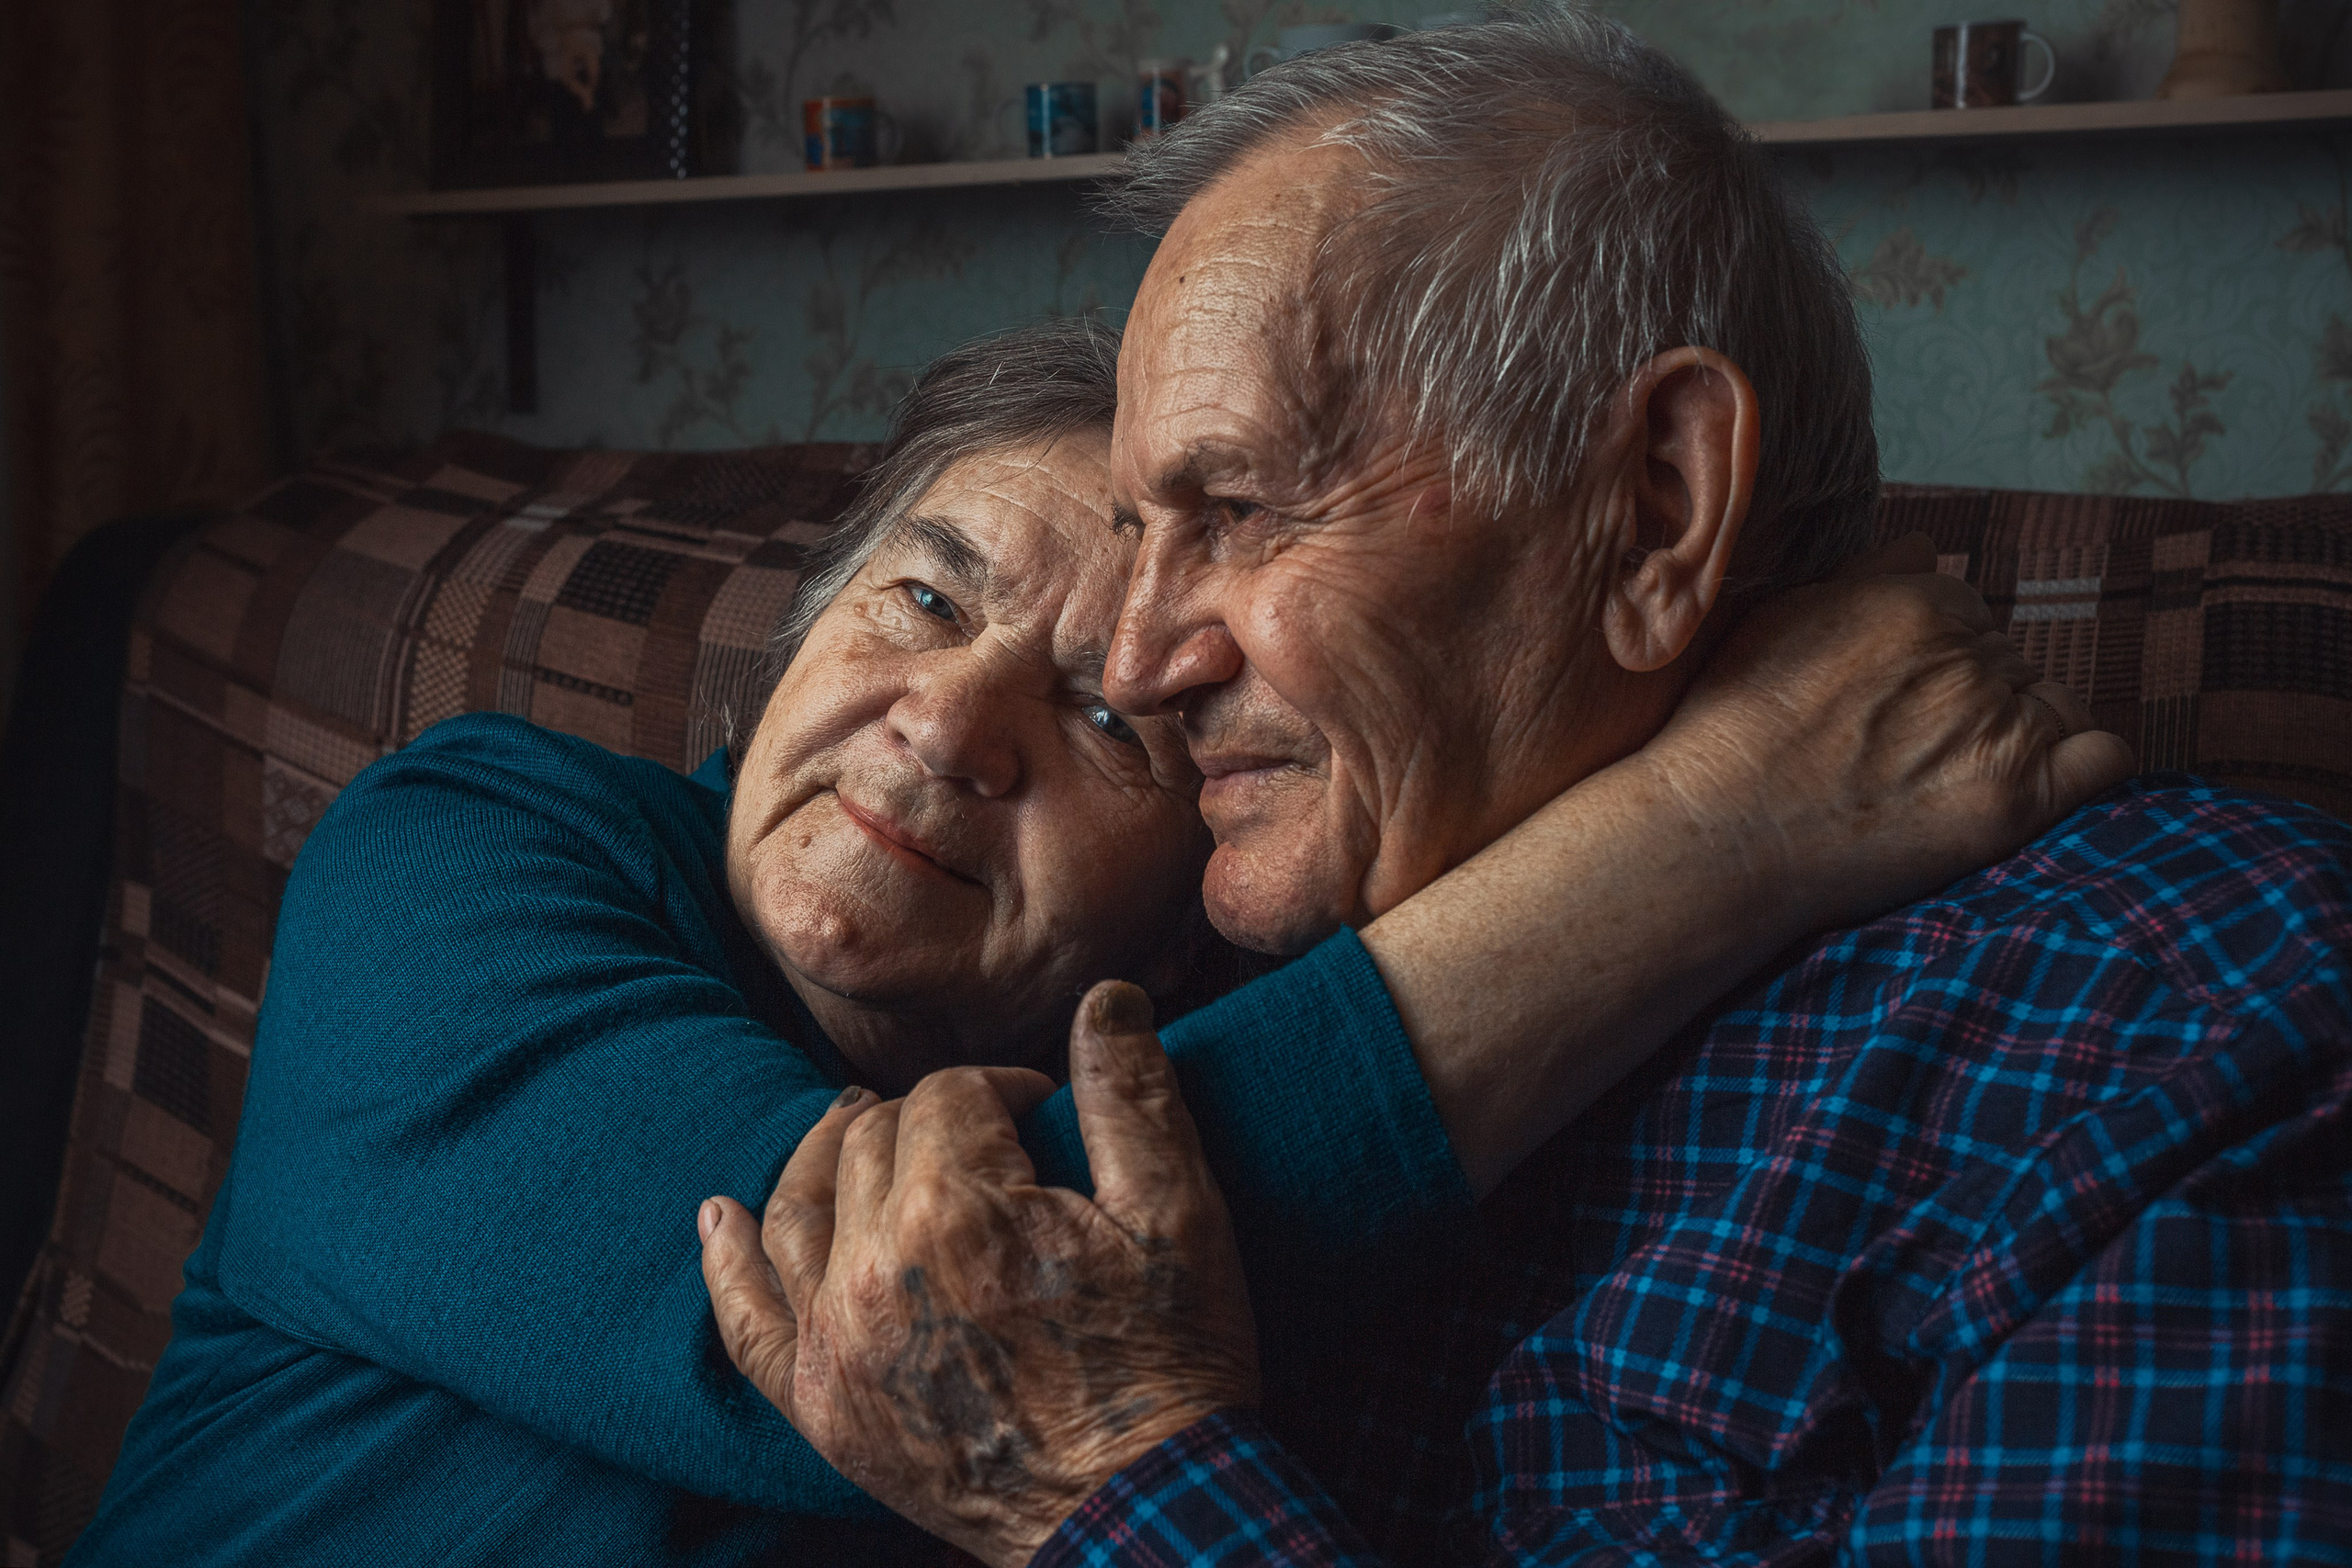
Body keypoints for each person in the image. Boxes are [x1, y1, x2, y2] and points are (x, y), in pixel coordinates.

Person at [698, 11, 2352, 1566]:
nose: (1134, 670)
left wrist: (1115, 1478)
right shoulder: (1208, 956)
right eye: (1148, 529)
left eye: (1245, 508)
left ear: (1654, 504)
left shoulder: (2204, 1032)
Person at [68, 319, 2094, 1566]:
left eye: (1114, 710)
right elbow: (932, 1306)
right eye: (922, 599)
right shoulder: (469, 844)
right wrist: (1729, 815)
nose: (952, 724)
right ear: (800, 625)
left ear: (1218, 854)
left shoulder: (1251, 1080)